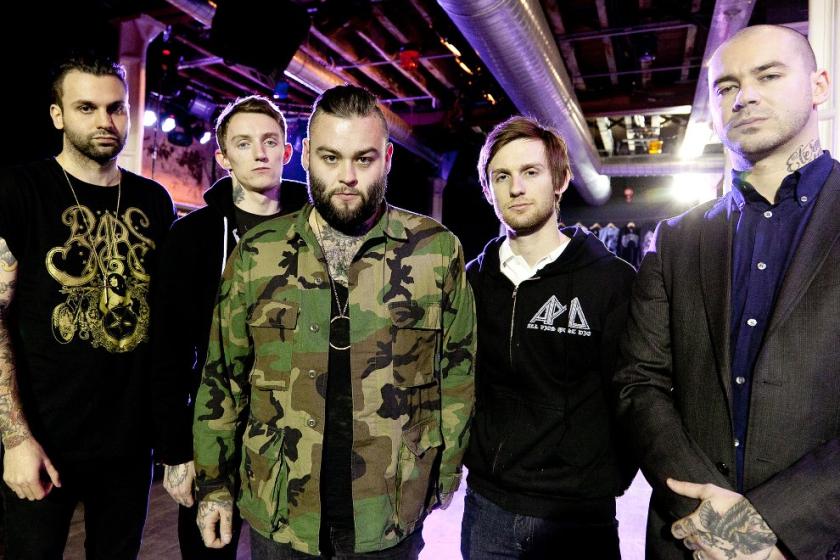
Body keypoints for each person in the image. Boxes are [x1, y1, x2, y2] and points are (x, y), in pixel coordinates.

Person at [192, 84, 476, 559]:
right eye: (330, 158)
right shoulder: (258, 253)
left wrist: (445, 471)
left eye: (364, 159)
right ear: (305, 155)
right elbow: (223, 375)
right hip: (280, 506)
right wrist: (214, 484)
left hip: (390, 509)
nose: (347, 176)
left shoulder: (435, 250)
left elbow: (458, 374)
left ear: (387, 159)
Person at [615, 24, 840, 560]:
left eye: (768, 75)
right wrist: (718, 523)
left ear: (819, 86)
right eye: (726, 86)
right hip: (691, 536)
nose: (745, 96)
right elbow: (639, 383)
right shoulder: (676, 238)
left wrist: (774, 527)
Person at [0, 53, 175, 558]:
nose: (105, 121)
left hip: (129, 445)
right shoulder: (20, 189)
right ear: (57, 115)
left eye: (116, 108)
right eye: (86, 107)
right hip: (44, 438)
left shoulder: (154, 201)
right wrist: (15, 439)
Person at [460, 116, 636, 559]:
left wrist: (598, 478)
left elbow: (633, 393)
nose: (516, 188)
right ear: (488, 190)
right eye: (502, 176)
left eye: (531, 172)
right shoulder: (470, 283)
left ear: (560, 180)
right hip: (488, 509)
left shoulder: (611, 281)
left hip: (576, 516)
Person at [151, 95, 308, 559]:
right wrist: (176, 450)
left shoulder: (318, 231)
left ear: (287, 151)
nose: (259, 153)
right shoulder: (192, 236)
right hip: (213, 429)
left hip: (295, 430)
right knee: (208, 550)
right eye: (243, 143)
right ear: (223, 157)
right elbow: (167, 349)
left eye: (270, 141)